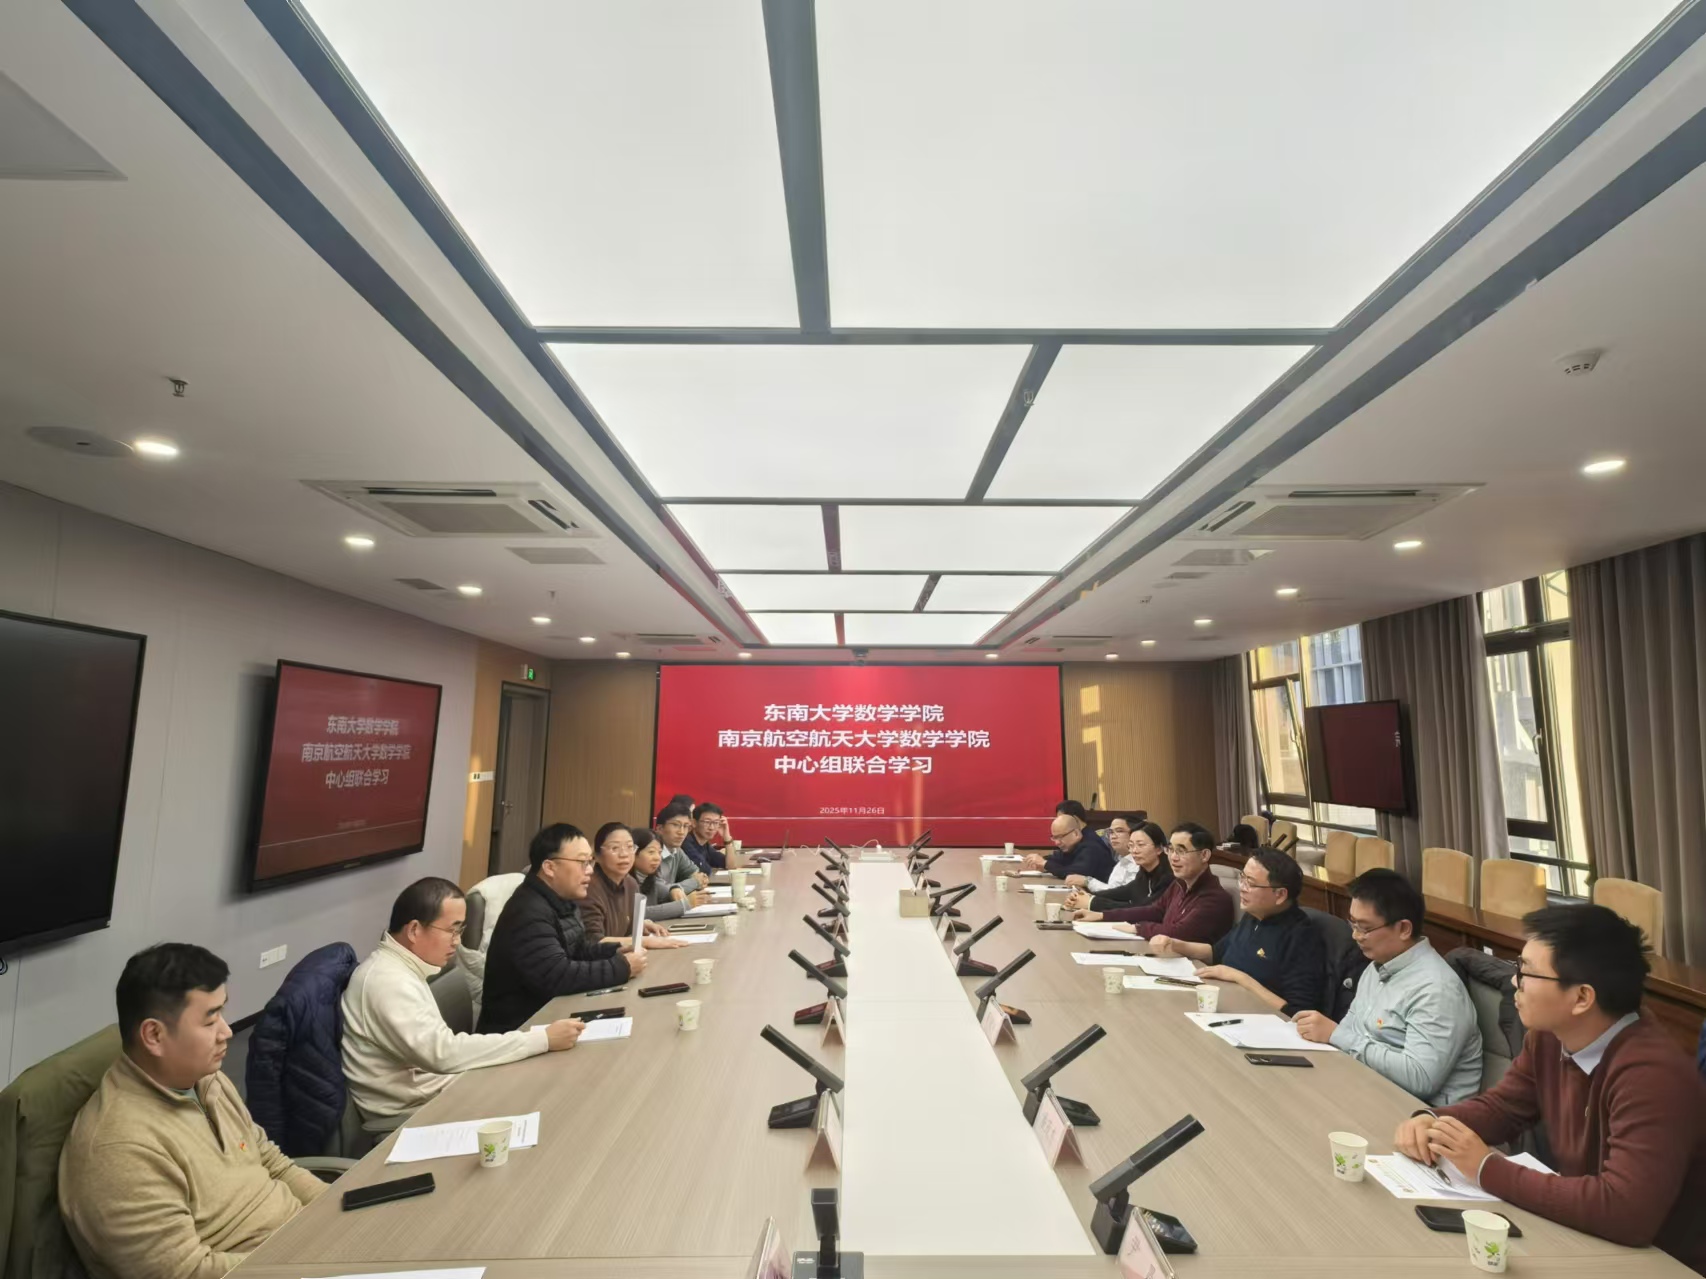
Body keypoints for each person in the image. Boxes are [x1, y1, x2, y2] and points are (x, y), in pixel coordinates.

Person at [1394, 905, 1706, 1270]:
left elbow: (1625, 1210)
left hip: (1658, 1263)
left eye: (1526, 972)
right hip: (1584, 1238)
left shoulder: (1653, 1076)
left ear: (1582, 998)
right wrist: (1433, 1120)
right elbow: (1503, 1109)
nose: (1514, 982)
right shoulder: (1550, 1036)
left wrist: (1486, 1168)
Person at [59, 943, 326, 1279]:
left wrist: (336, 1208)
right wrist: (305, 1262)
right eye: (210, 1020)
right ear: (154, 1035)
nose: (227, 1032)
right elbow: (188, 1272)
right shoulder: (119, 1150)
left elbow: (271, 1161)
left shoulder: (204, 1079)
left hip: (305, 1245)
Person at [341, 877, 586, 1125]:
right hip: (413, 1115)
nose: (457, 941)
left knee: (543, 1084)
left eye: (460, 931)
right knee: (546, 1106)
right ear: (414, 930)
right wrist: (541, 1039)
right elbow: (443, 1053)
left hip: (441, 1090)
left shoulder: (402, 968)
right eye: (452, 930)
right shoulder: (387, 982)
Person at [1293, 868, 1482, 1105]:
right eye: (1353, 923)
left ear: (1403, 929)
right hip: (1367, 1088)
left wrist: (1335, 1034)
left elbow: (1420, 1079)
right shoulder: (1377, 966)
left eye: (1365, 928)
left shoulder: (1437, 989)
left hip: (1422, 1112)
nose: (1355, 936)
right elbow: (1352, 1029)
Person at [477, 823, 650, 1034]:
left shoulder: (560, 899)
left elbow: (578, 950)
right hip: (520, 1030)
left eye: (590, 862)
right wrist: (621, 968)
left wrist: (615, 951)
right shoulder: (528, 912)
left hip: (552, 1015)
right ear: (550, 867)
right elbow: (557, 976)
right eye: (582, 863)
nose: (590, 870)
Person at [1156, 847, 1326, 1015]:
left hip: (1261, 1020)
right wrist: (1176, 944)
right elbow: (1216, 953)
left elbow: (1298, 1012)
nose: (1242, 888)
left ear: (1280, 895)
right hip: (1228, 1005)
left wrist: (1240, 978)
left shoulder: (1301, 937)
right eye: (1242, 878)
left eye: (1250, 883)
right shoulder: (1254, 916)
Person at [1072, 823, 1234, 944]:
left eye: (1181, 851)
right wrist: (1102, 916)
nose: (1173, 857)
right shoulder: (1179, 885)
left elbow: (1180, 932)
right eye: (1171, 850)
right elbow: (1154, 910)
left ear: (1204, 855)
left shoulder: (1215, 899)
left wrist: (1137, 928)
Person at [580, 821, 689, 946]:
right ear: (597, 855)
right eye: (615, 848)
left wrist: (641, 925)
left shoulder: (630, 883)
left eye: (629, 847)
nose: (624, 854)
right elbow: (594, 941)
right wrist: (642, 941)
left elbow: (624, 927)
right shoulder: (587, 887)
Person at [1065, 820, 1174, 914]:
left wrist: (1091, 902)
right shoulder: (1144, 873)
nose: (1134, 851)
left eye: (1140, 845)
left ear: (1159, 848)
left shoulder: (1168, 878)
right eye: (1131, 845)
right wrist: (1087, 895)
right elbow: (1123, 891)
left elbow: (1143, 910)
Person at [633, 826, 706, 920]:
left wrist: (675, 888)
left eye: (659, 852)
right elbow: (639, 913)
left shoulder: (650, 878)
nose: (657, 858)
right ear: (633, 853)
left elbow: (666, 890)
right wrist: (685, 904)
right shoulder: (626, 881)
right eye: (651, 852)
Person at [1022, 813, 1115, 881]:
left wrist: (1045, 864)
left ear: (1076, 833)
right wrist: (1040, 862)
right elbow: (1059, 858)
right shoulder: (1071, 846)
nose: (1057, 843)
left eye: (1060, 837)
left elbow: (1075, 873)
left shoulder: (1091, 847)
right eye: (1054, 838)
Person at [1063, 814, 1131, 893]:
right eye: (1111, 832)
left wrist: (1087, 882)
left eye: (1119, 831)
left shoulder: (1137, 862)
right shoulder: (1121, 860)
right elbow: (1113, 890)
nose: (1113, 836)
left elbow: (1119, 894)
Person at [657, 803, 711, 890]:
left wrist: (698, 880)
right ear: (660, 829)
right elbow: (659, 890)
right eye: (675, 825)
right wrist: (694, 883)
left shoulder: (677, 850)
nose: (681, 832)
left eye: (686, 826)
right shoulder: (652, 854)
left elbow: (695, 873)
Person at [682, 802, 729, 872]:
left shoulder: (705, 845)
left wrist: (727, 837)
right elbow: (705, 870)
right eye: (707, 822)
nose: (711, 827)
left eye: (716, 822)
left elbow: (729, 865)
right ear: (694, 823)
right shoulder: (686, 843)